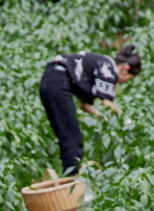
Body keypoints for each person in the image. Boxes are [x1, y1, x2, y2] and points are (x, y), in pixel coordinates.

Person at [38, 44, 141, 175]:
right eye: (127, 80)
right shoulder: (108, 67)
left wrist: (102, 118)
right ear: (125, 69)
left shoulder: (100, 66)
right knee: (73, 140)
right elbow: (107, 103)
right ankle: (71, 184)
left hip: (50, 81)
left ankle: (68, 179)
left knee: (68, 137)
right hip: (58, 81)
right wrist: (126, 120)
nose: (122, 83)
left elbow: (85, 105)